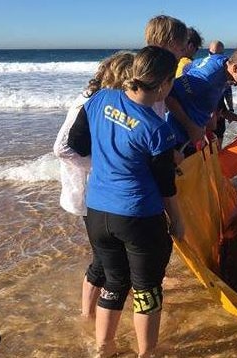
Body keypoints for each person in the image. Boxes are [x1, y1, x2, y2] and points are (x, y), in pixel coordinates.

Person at [67, 46, 183, 358]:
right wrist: (179, 222)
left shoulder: (100, 98)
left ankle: (104, 348)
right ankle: (146, 354)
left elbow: (76, 143)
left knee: (114, 283)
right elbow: (165, 186)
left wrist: (112, 154)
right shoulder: (158, 130)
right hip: (138, 217)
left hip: (98, 212)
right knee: (147, 290)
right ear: (162, 85)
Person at [53, 51, 134, 320]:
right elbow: (62, 148)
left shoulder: (110, 102)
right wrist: (102, 166)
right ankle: (87, 318)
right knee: (103, 261)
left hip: (105, 192)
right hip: (91, 192)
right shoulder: (89, 102)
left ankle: (92, 316)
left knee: (111, 258)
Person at [165, 44, 237, 156]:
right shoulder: (206, 79)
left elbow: (188, 67)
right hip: (177, 140)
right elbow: (169, 94)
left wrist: (231, 116)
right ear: (236, 68)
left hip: (195, 139)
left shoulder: (221, 62)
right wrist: (191, 127)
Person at [144, 14, 188, 120]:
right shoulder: (156, 74)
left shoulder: (142, 65)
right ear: (171, 45)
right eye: (181, 49)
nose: (182, 55)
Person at [208, 40, 235, 148]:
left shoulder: (225, 69)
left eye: (219, 54)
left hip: (220, 108)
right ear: (209, 53)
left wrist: (231, 109)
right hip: (206, 112)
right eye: (213, 54)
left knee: (218, 140)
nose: (216, 58)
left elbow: (228, 92)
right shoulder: (204, 68)